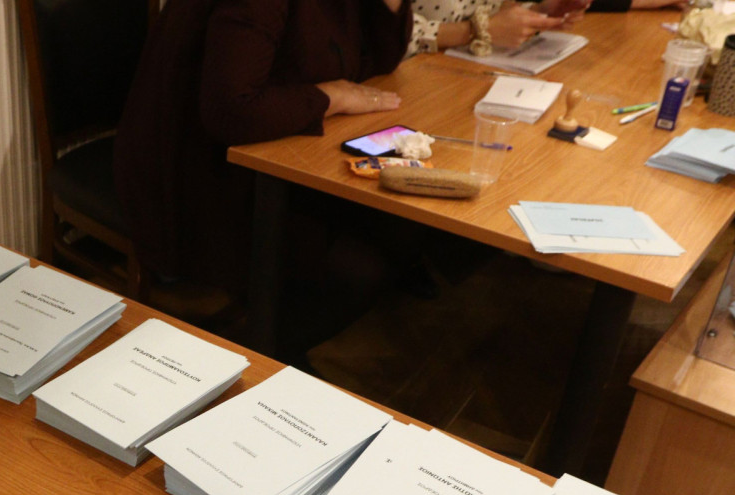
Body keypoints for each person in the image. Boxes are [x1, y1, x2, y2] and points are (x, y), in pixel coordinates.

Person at [114, 0, 416, 360]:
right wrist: (332, 97)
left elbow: (376, 62)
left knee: (400, 230)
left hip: (273, 151)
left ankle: (264, 354)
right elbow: (231, 109)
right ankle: (237, 362)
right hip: (197, 170)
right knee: (361, 267)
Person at [408, 0, 687, 56]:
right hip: (409, 82)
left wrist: (541, 11)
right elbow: (389, 37)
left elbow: (487, 10)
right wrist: (476, 31)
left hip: (456, 70)